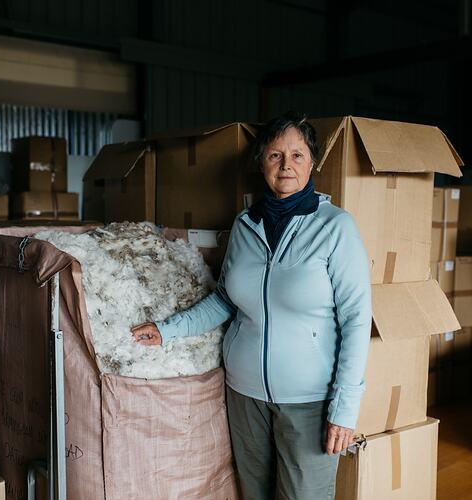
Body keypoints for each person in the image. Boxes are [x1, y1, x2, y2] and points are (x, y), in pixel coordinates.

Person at [131, 111, 372, 500]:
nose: (286, 165)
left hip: (309, 400)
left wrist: (345, 406)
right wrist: (167, 330)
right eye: (275, 155)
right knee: (254, 494)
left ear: (313, 162)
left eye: (297, 155)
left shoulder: (335, 227)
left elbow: (357, 320)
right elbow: (226, 300)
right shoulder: (245, 225)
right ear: (262, 162)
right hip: (244, 395)